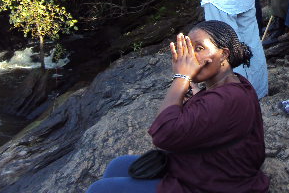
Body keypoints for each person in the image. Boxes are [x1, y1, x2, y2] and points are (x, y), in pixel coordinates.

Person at [86, 21, 269, 193]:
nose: (191, 57)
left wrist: (182, 78)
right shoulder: (236, 84)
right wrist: (195, 94)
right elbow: (213, 117)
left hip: (215, 183)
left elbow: (164, 134)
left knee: (100, 189)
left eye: (199, 48)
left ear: (223, 54)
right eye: (189, 49)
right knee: (118, 165)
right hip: (207, 166)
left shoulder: (228, 98)